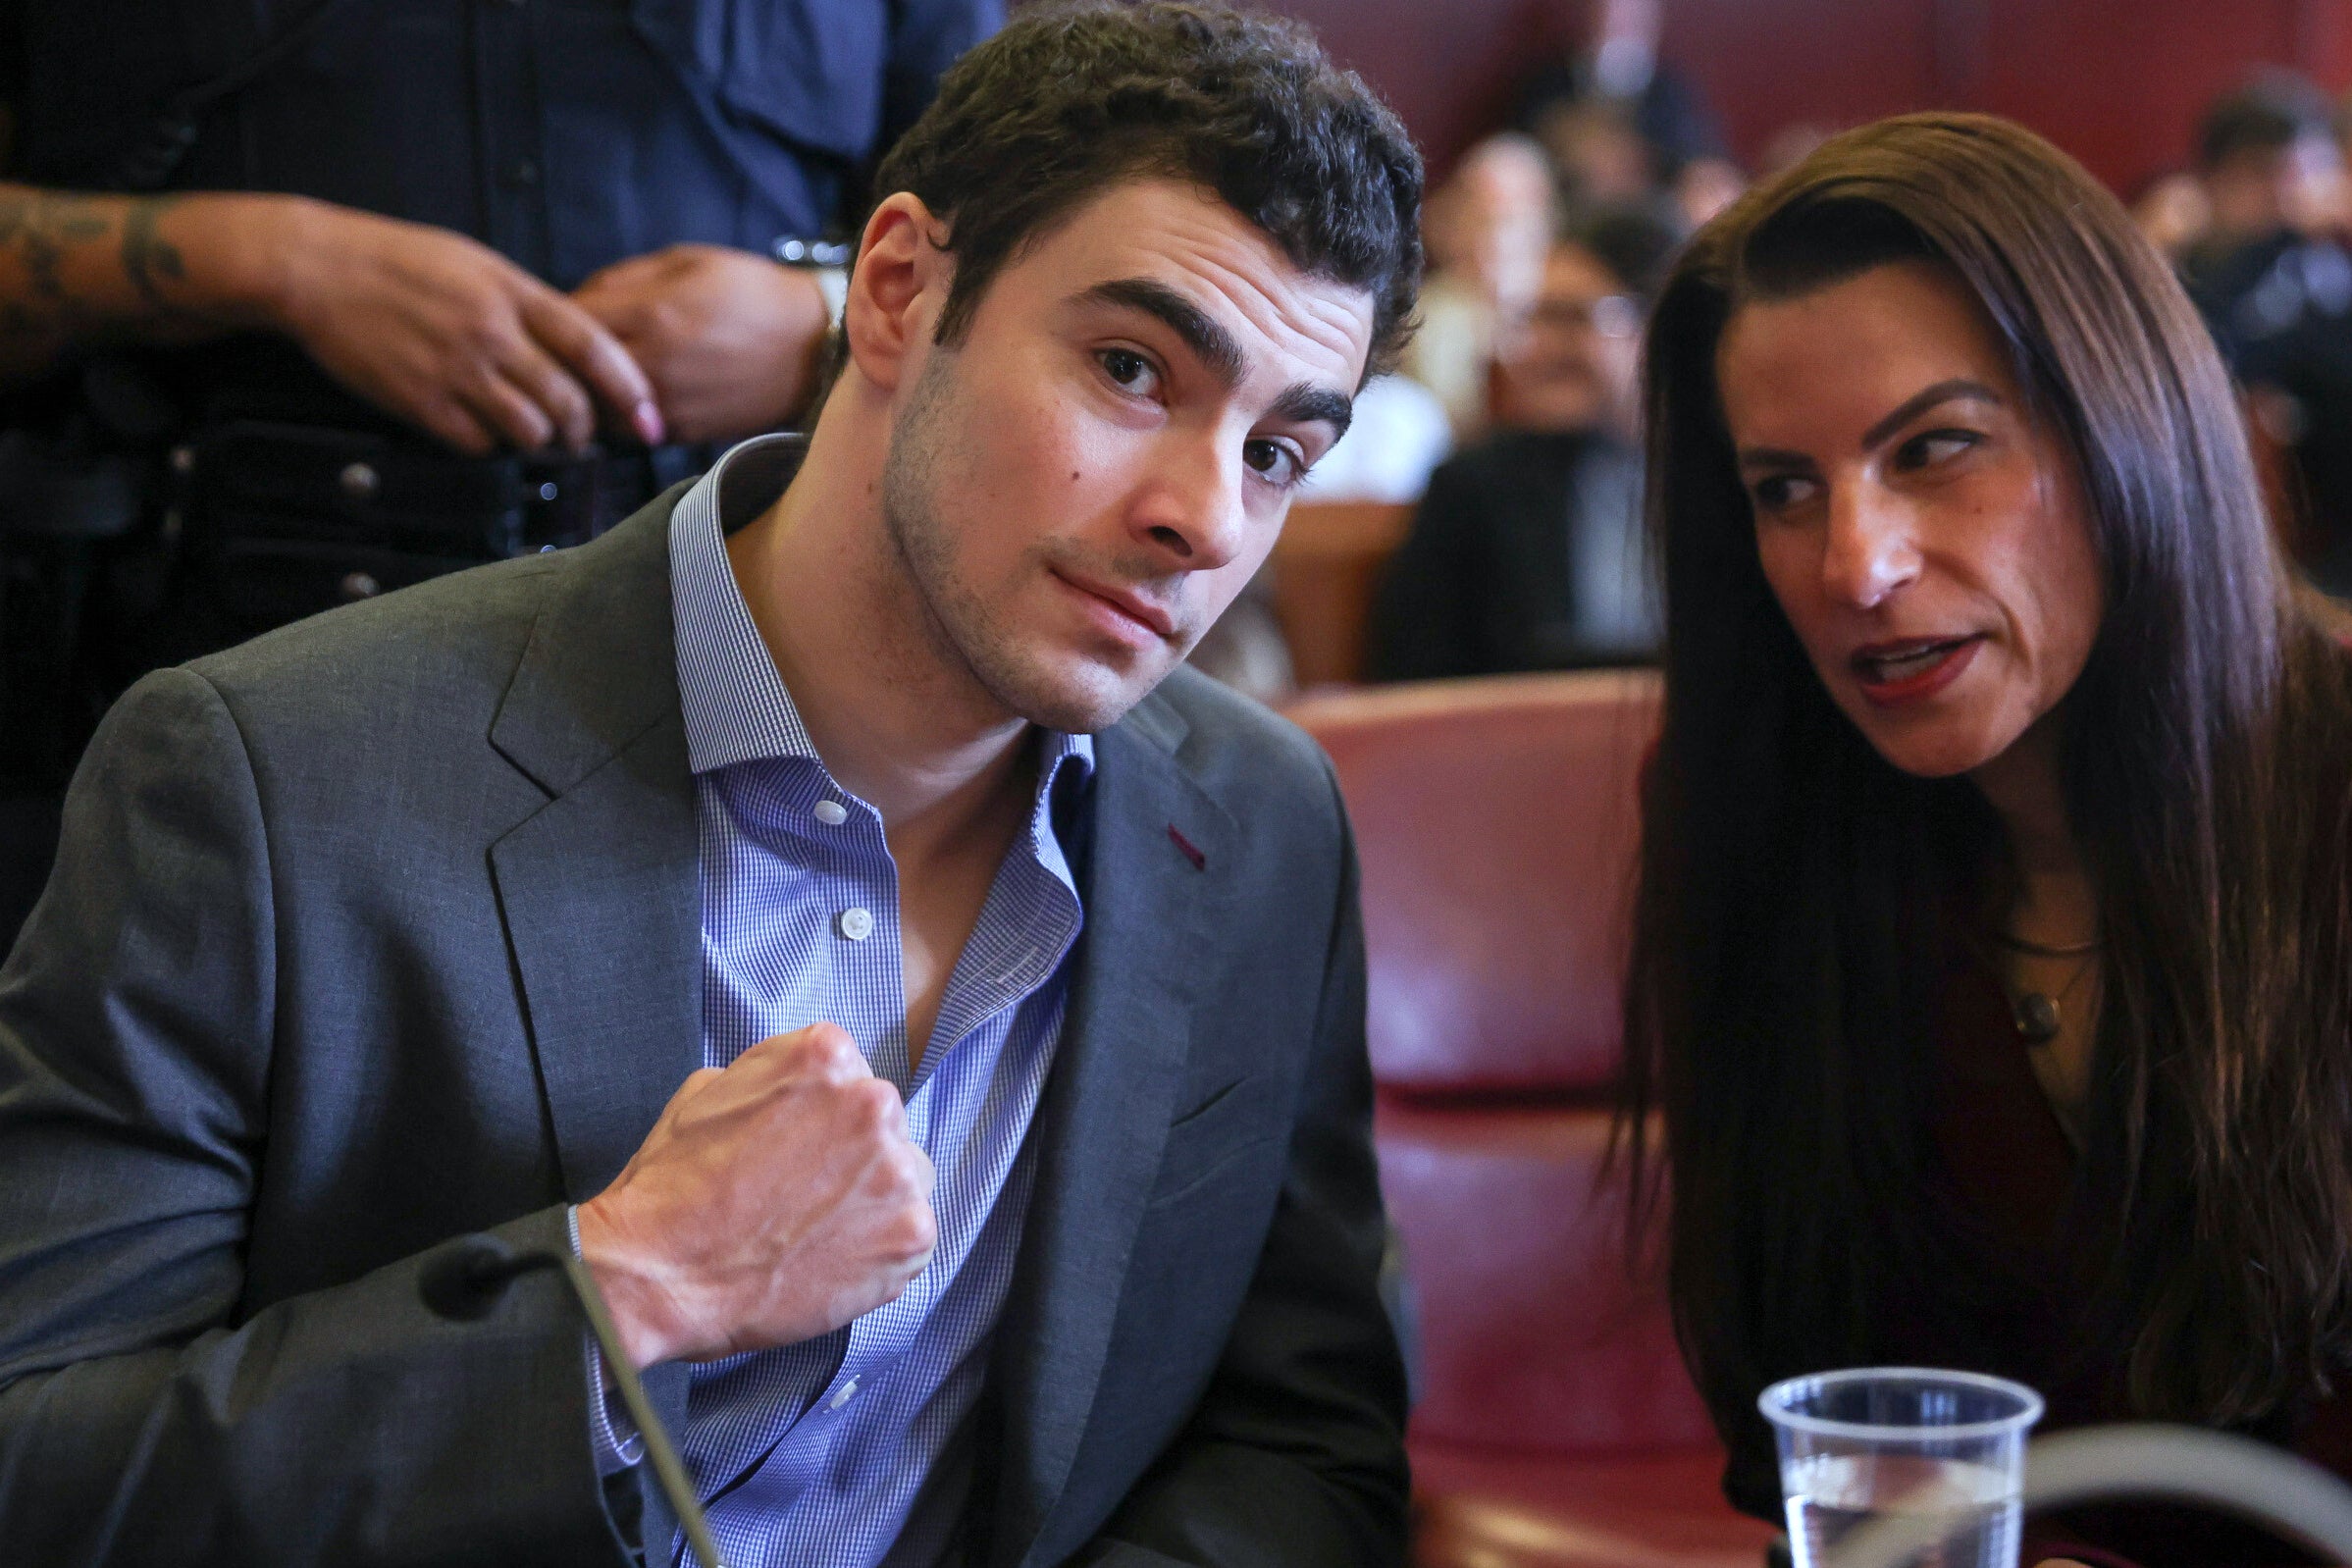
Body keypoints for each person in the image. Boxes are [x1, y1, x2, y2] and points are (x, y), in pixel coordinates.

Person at [0, 2, 1424, 1562]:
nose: (1204, 517)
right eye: (1132, 368)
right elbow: (42, 1479)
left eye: (1279, 451)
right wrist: (624, 1289)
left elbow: (1300, 1443)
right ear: (895, 292)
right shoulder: (266, 777)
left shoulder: (1262, 821)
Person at [1620, 113, 2352, 1568]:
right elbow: (1805, 1446)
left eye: (1936, 447)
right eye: (1783, 489)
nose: (1856, 566)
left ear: (2123, 429)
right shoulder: (1757, 815)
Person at [0, 0, 1001, 949]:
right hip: (171, 704)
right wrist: (274, 263)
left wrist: (818, 319)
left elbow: (1015, 256)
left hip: (734, 725)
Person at [1367, 209, 1671, 679]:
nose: (1539, 348)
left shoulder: (1726, 482)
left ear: (1660, 327)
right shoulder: (1472, 490)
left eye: (1571, 319)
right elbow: (1413, 687)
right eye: (1533, 319)